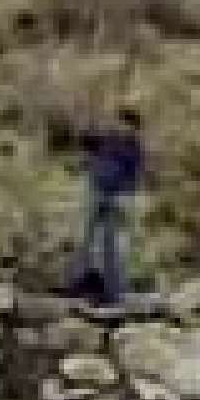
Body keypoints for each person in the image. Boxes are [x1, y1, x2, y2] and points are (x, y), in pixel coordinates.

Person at [66, 108, 144, 306]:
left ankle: (114, 292)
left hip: (117, 197)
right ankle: (77, 283)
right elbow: (85, 141)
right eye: (121, 123)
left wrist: (126, 198)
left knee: (112, 245)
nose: (123, 127)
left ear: (134, 128)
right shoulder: (107, 139)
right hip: (96, 192)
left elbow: (134, 177)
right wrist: (85, 125)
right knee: (86, 239)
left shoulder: (134, 148)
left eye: (127, 125)